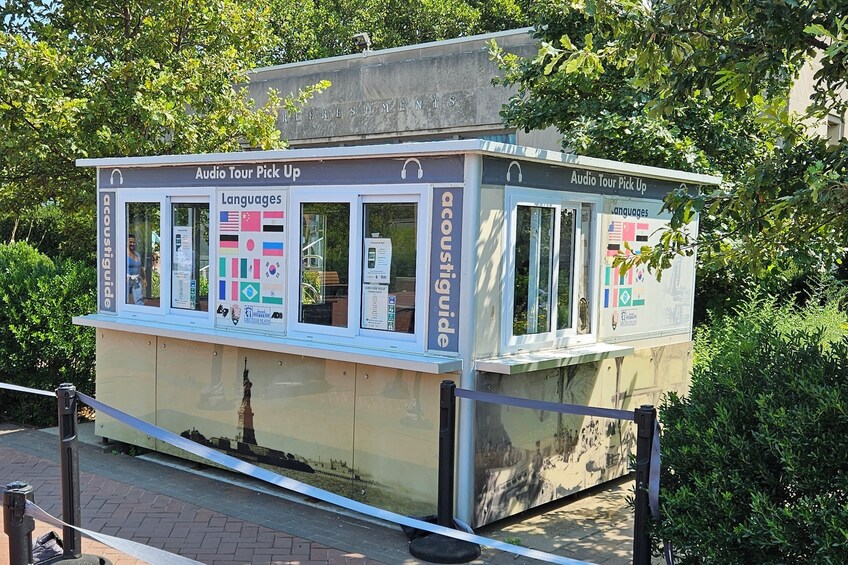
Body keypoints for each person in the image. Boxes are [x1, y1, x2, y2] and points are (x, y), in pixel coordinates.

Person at [127, 234, 146, 305]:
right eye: (130, 242)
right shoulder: (122, 254)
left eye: (134, 242)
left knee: (139, 300)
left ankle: (140, 314)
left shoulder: (137, 254)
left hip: (136, 281)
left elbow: (140, 267)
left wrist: (144, 279)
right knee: (123, 300)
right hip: (126, 281)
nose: (132, 244)